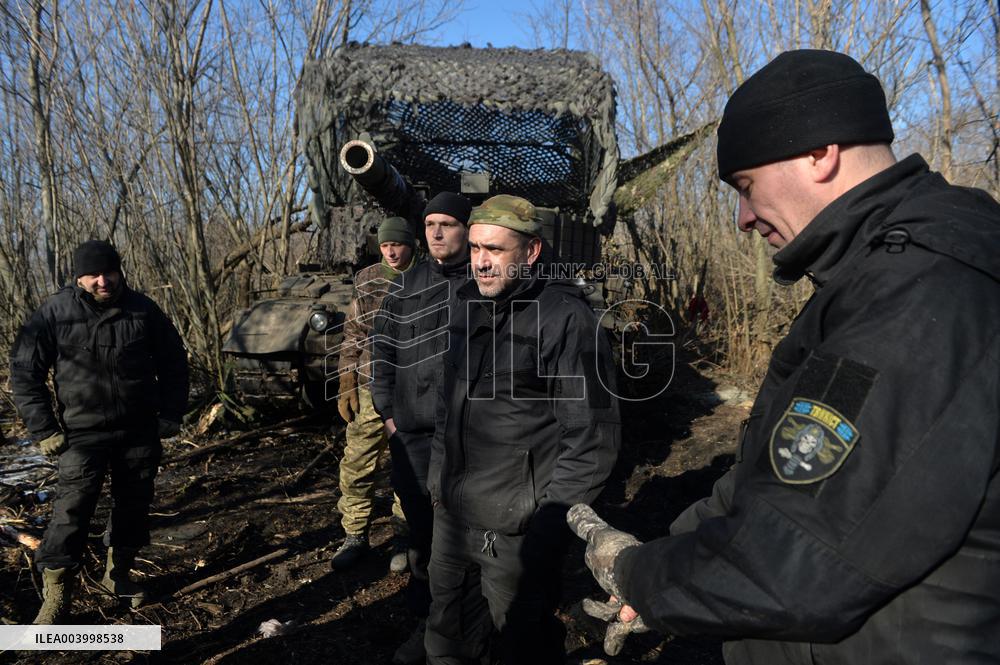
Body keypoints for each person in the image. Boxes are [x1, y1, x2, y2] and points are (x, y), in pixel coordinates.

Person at [568, 49, 1000, 664]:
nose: (743, 219)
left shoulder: (920, 294)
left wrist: (640, 575)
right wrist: (674, 555)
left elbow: (792, 558)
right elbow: (777, 478)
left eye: (746, 187)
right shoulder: (880, 275)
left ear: (820, 152)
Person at [425, 194, 621, 664]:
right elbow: (447, 408)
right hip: (452, 518)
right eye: (475, 248)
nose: (481, 261)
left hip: (515, 533)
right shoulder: (466, 306)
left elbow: (591, 440)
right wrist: (437, 483)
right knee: (445, 638)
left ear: (530, 252)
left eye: (495, 249)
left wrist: (547, 527)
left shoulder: (566, 320)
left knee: (521, 643)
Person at [9, 240, 189, 624]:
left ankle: (117, 576)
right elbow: (24, 374)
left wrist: (172, 412)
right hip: (81, 434)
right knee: (70, 511)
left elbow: (175, 362)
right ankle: (57, 595)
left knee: (134, 506)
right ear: (79, 277)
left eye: (109, 272)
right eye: (93, 274)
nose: (102, 281)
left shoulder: (143, 309)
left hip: (139, 430)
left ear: (120, 271)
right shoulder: (55, 313)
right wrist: (44, 429)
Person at [371, 191, 473, 664]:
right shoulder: (404, 288)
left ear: (466, 230)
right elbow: (382, 353)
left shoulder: (483, 282)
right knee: (422, 521)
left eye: (447, 224)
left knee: (464, 527)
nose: (436, 232)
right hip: (411, 432)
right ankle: (427, 602)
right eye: (430, 224)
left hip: (467, 434)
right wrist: (388, 414)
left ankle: (455, 621)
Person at [331, 216, 417, 571]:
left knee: (409, 465)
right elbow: (354, 333)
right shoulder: (367, 279)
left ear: (411, 244)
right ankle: (354, 534)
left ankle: (404, 534)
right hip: (370, 385)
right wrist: (346, 380)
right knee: (357, 463)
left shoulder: (428, 275)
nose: (391, 252)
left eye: (397, 244)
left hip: (413, 389)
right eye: (384, 246)